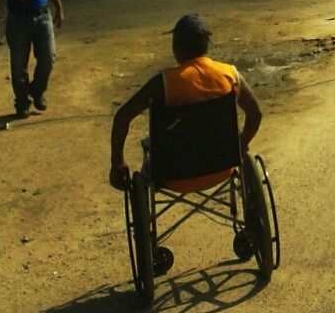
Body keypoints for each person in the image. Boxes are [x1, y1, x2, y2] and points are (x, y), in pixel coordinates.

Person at [108, 14, 262, 193]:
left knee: (149, 156)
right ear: (206, 45)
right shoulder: (230, 75)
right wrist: (241, 143)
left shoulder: (164, 83)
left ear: (176, 48)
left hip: (172, 176)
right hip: (223, 168)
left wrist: (117, 163)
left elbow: (122, 117)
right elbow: (255, 113)